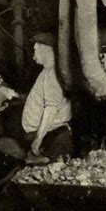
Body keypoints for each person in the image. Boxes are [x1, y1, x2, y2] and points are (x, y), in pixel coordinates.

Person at [22, 32, 73, 164]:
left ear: (45, 50)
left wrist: (38, 139)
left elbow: (51, 109)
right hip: (49, 136)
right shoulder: (47, 72)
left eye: (35, 51)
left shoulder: (53, 74)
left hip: (52, 137)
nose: (33, 57)